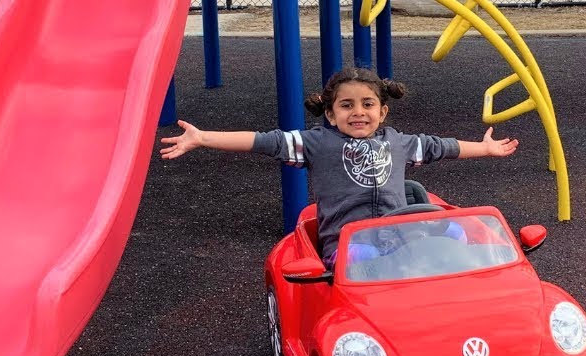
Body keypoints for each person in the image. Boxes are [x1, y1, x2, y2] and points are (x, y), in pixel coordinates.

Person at [159, 67, 519, 265]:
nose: (358, 112)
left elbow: (441, 147)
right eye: (347, 106)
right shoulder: (317, 143)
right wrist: (203, 137)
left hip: (399, 235)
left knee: (455, 236)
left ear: (382, 112)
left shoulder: (397, 141)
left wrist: (485, 149)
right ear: (331, 114)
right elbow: (263, 141)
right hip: (347, 243)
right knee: (361, 261)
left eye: (367, 104)